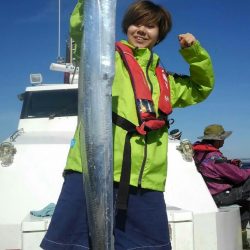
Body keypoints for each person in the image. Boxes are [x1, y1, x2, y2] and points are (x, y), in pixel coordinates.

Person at [40, 1, 214, 249]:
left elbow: (201, 88)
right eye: (136, 23)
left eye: (150, 26)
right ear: (125, 26)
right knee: (68, 245)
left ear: (159, 34)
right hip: (90, 171)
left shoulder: (166, 80)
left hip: (144, 180)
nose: (142, 30)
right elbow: (82, 30)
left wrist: (194, 53)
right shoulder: (104, 57)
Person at [193, 124, 250, 249]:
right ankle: (243, 240)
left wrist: (229, 164)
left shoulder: (199, 153)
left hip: (210, 194)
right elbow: (240, 176)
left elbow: (213, 169)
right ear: (217, 140)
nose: (224, 141)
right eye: (222, 138)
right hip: (221, 195)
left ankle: (241, 237)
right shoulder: (214, 157)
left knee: (247, 205)